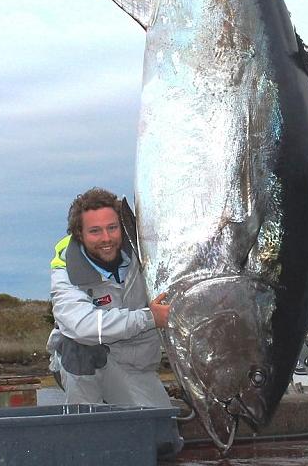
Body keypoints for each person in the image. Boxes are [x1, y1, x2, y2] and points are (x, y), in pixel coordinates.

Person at [46, 187, 183, 457]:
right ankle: (85, 442)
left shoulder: (148, 255)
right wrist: (148, 318)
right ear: (79, 235)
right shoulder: (64, 271)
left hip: (136, 367)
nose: (106, 238)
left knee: (163, 444)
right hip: (88, 363)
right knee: (77, 345)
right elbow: (81, 326)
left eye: (112, 227)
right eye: (95, 231)